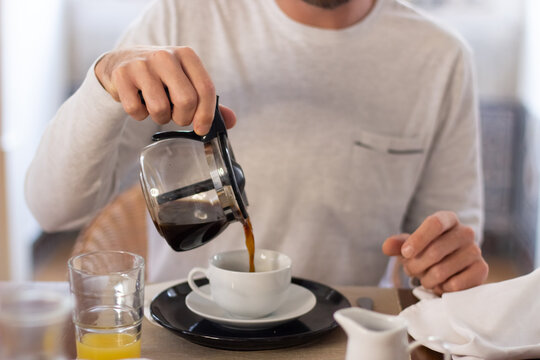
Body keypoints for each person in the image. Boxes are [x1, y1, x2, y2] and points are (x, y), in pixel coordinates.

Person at [25, 0, 488, 294]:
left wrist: (449, 265)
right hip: (184, 335)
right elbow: (52, 210)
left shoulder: (439, 58)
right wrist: (104, 79)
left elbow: (450, 238)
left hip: (339, 335)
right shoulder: (180, 17)